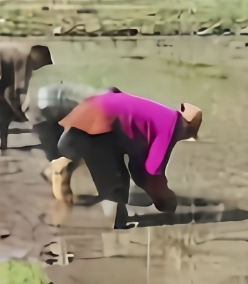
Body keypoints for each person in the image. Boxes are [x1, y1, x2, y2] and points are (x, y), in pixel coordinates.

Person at [56, 91, 202, 228]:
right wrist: (165, 199)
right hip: (99, 123)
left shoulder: (160, 117)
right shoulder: (171, 126)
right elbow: (152, 171)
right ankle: (113, 224)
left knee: (116, 178)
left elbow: (139, 167)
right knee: (115, 183)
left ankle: (119, 219)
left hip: (89, 114)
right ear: (187, 126)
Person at [29, 81, 94, 203]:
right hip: (48, 115)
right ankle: (61, 199)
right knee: (62, 163)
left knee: (65, 160)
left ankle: (56, 185)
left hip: (51, 111)